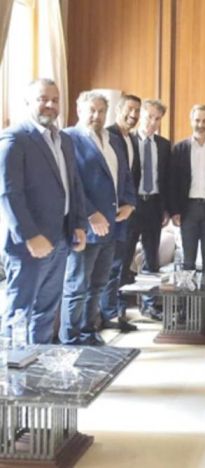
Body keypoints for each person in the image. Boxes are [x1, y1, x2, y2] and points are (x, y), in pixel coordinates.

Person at [0, 78, 87, 344]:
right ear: (28, 102)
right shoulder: (15, 138)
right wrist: (29, 235)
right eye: (43, 99)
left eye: (55, 100)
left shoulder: (64, 140)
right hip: (29, 245)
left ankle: (39, 362)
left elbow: (73, 185)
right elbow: (9, 193)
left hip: (60, 239)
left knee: (47, 311)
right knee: (19, 313)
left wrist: (79, 224)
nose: (50, 104)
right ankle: (11, 367)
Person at [61, 90, 136, 345]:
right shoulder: (69, 138)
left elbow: (125, 175)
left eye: (101, 111)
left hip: (113, 225)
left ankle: (88, 332)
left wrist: (130, 203)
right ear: (79, 110)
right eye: (91, 110)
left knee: (99, 284)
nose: (97, 115)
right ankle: (70, 339)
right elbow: (71, 183)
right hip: (85, 227)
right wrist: (91, 214)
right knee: (77, 285)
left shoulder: (112, 139)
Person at [169, 104, 205, 273]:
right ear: (191, 121)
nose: (200, 125)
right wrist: (174, 211)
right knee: (188, 261)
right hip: (187, 210)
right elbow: (172, 182)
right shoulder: (179, 149)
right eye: (197, 120)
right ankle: (187, 292)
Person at [125, 99, 170, 321]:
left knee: (151, 259)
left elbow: (167, 179)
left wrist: (166, 209)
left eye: (157, 118)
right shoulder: (127, 141)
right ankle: (118, 308)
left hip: (153, 205)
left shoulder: (164, 145)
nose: (152, 122)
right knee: (124, 258)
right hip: (131, 207)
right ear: (140, 115)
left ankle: (149, 305)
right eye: (149, 116)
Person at [100, 93, 142, 332]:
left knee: (120, 266)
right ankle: (108, 313)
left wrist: (131, 205)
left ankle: (116, 311)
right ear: (118, 110)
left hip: (128, 213)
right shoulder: (107, 136)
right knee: (110, 267)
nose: (133, 115)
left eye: (137, 111)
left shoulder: (132, 139)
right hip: (111, 213)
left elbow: (131, 177)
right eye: (130, 109)